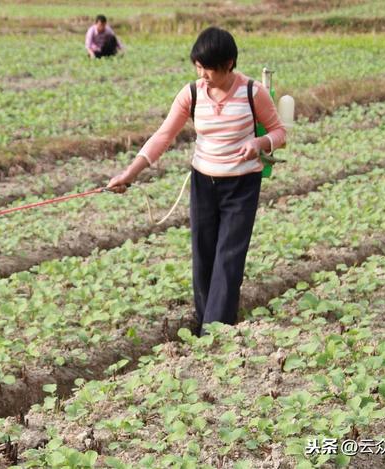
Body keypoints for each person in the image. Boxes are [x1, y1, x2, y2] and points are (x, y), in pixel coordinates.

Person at [106, 27, 287, 337]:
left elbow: (280, 133)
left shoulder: (252, 93)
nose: (203, 74)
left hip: (242, 185)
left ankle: (214, 333)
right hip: (204, 182)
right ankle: (207, 321)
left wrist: (259, 145)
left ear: (229, 64)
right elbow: (163, 135)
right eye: (198, 66)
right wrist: (130, 173)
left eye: (209, 68)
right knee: (203, 256)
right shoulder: (191, 93)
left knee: (229, 256)